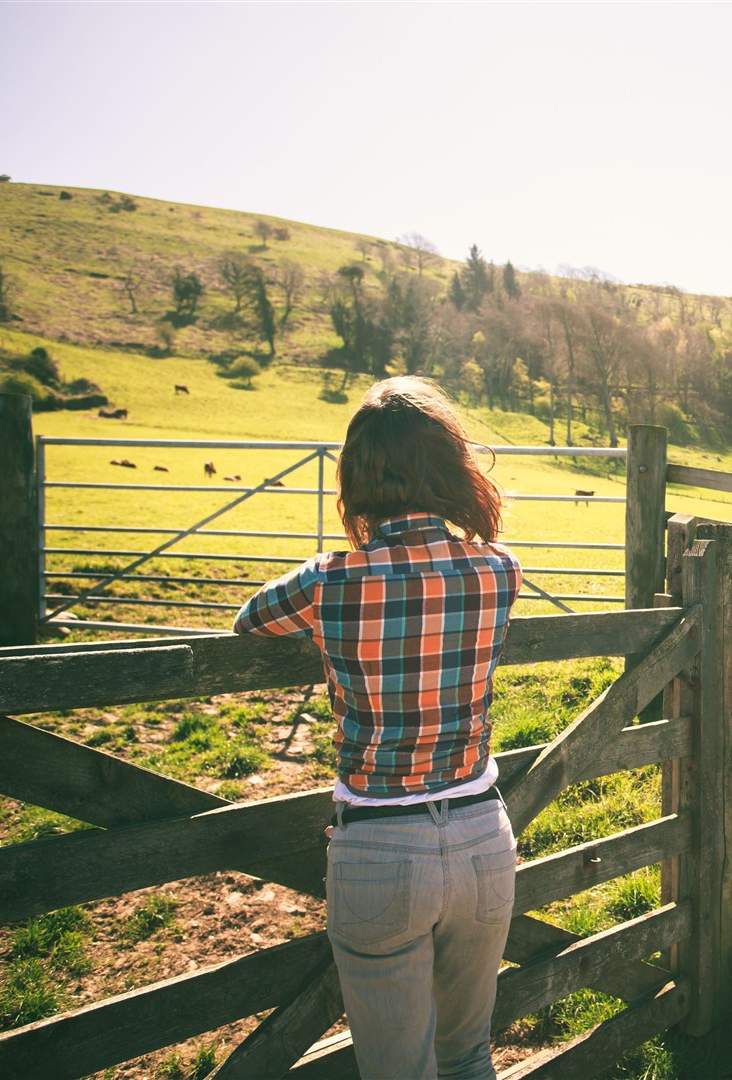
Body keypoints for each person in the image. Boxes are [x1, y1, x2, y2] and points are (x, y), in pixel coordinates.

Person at [234, 376, 521, 1079]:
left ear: (357, 480)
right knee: (469, 1055)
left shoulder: (329, 582)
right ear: (451, 469)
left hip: (380, 847)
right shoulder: (497, 572)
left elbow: (248, 621)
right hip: (483, 835)